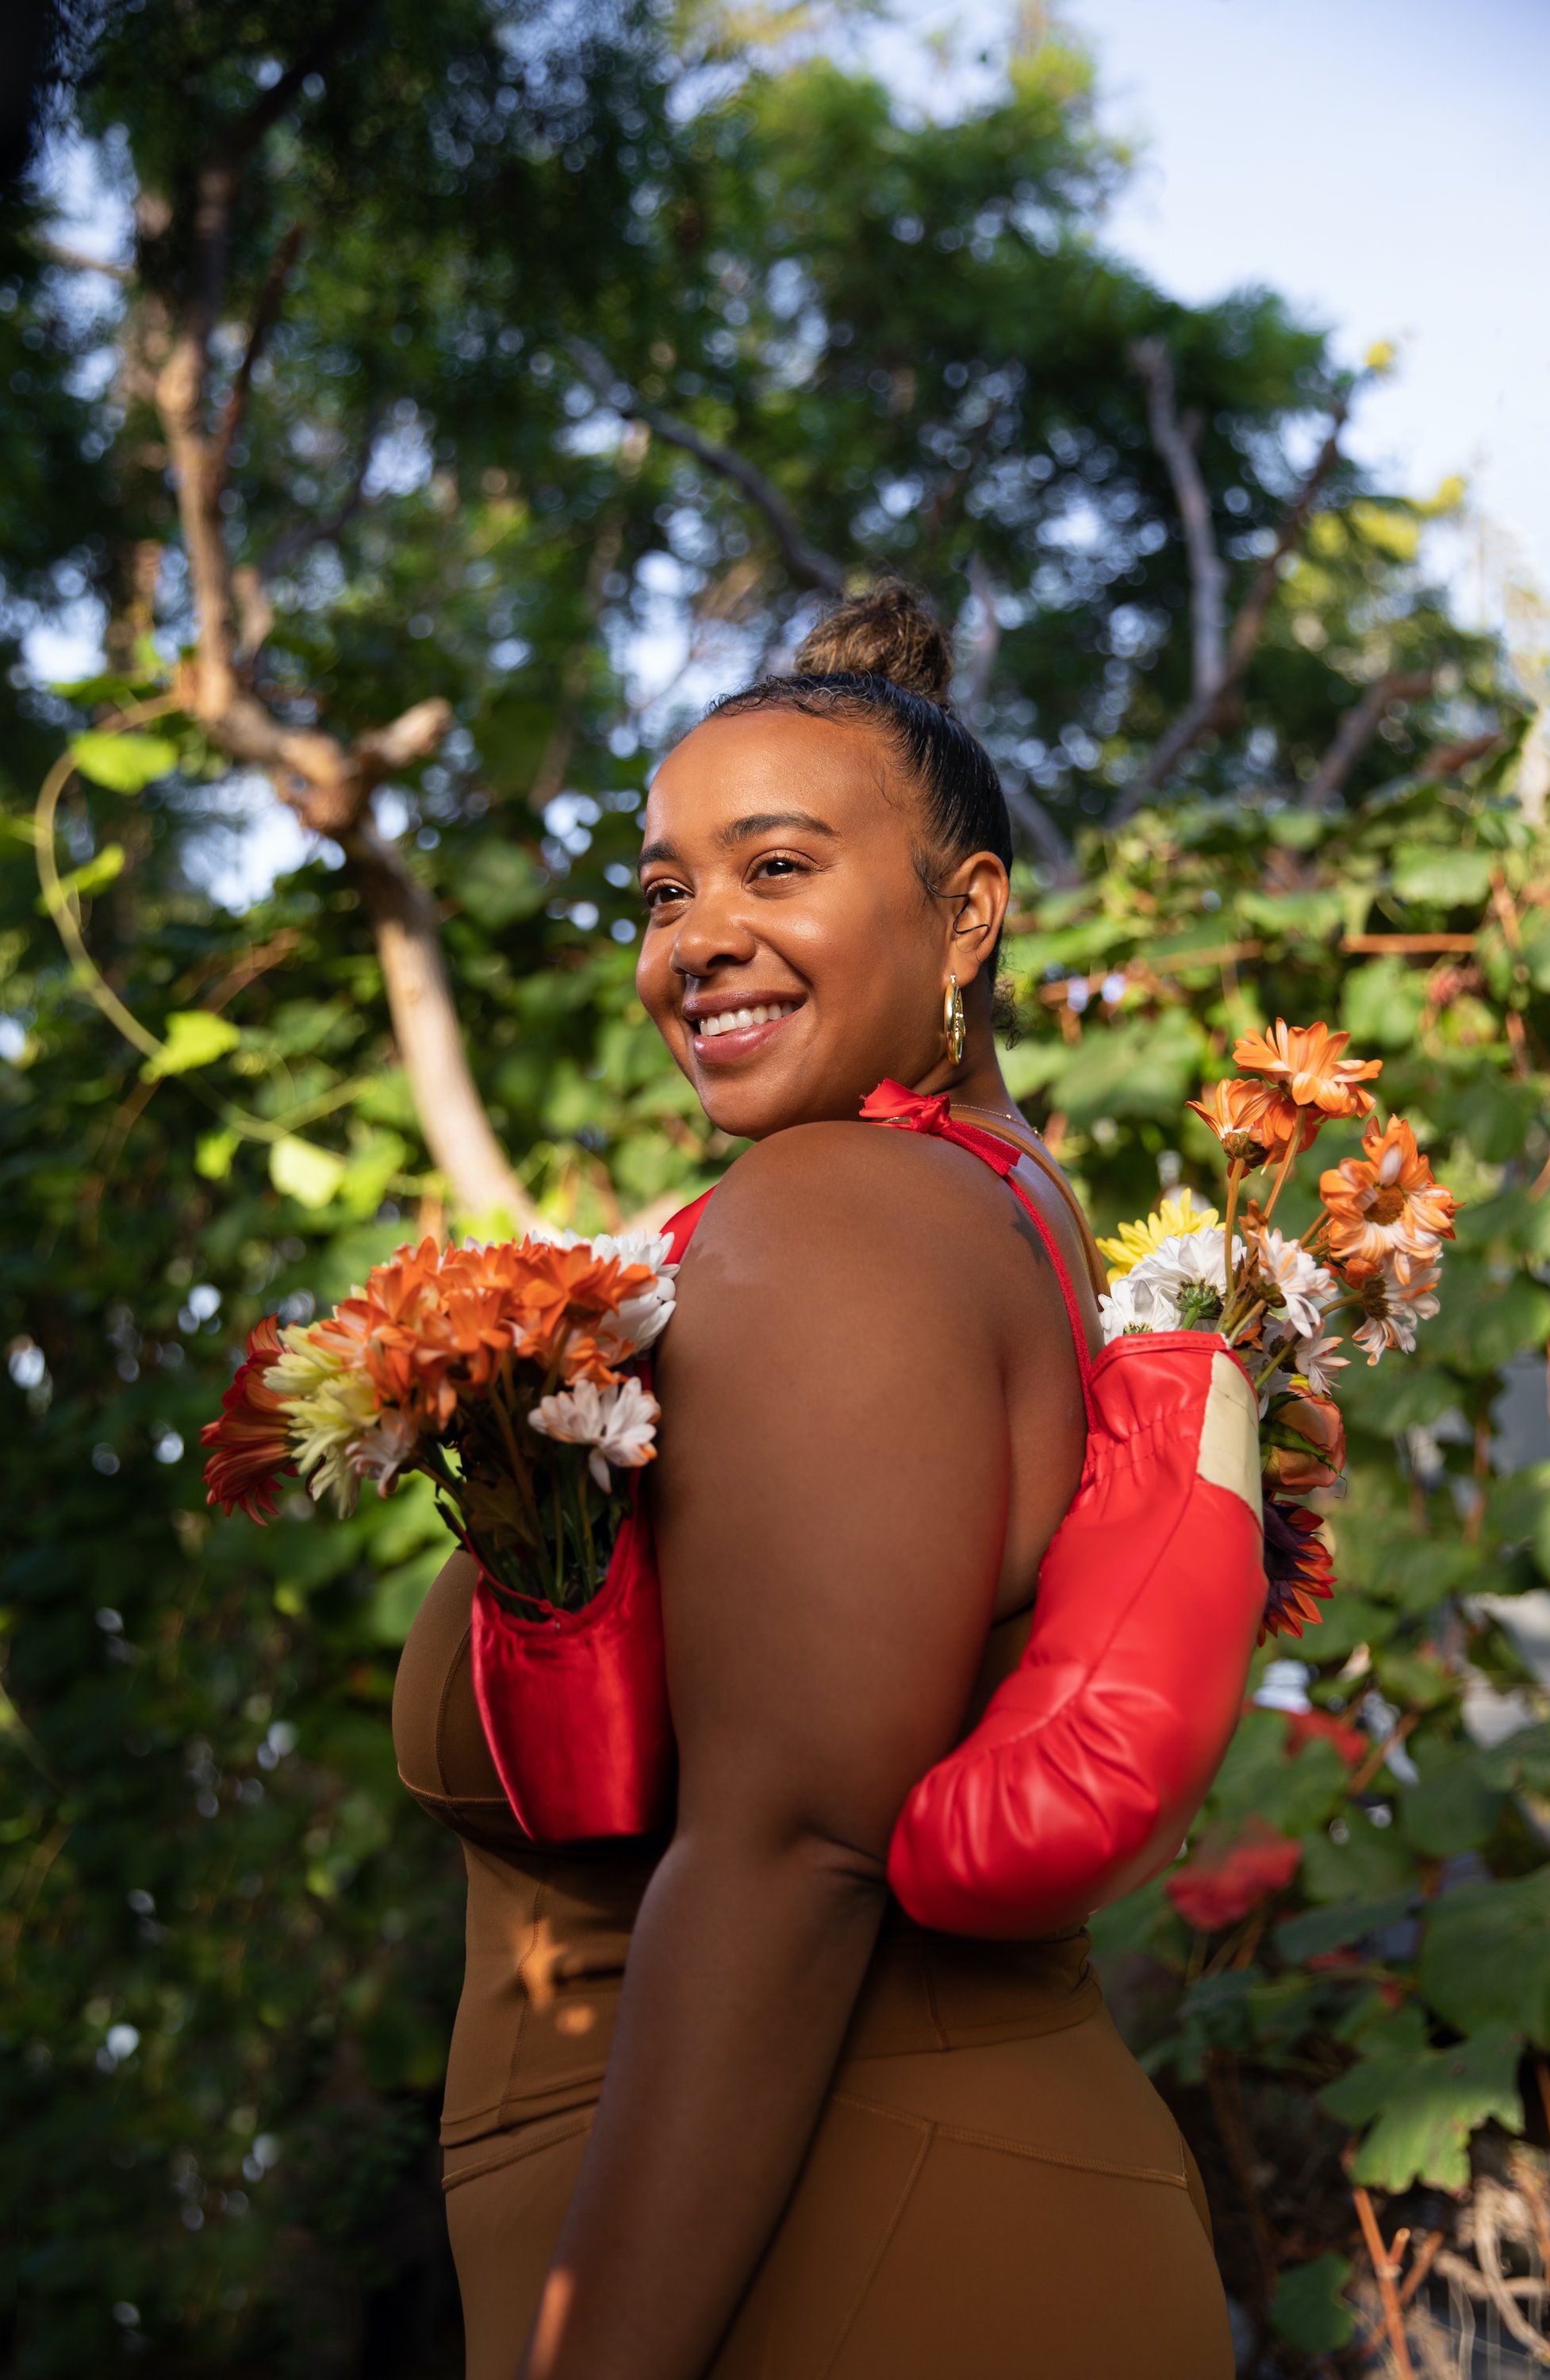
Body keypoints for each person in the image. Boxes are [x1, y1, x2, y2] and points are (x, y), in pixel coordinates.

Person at [392, 582, 1234, 2379]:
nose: (696, 941)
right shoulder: (970, 1197)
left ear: (969, 914)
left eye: (774, 869)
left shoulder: (841, 1212)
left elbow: (791, 1860)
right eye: (664, 891)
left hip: (843, 2257)